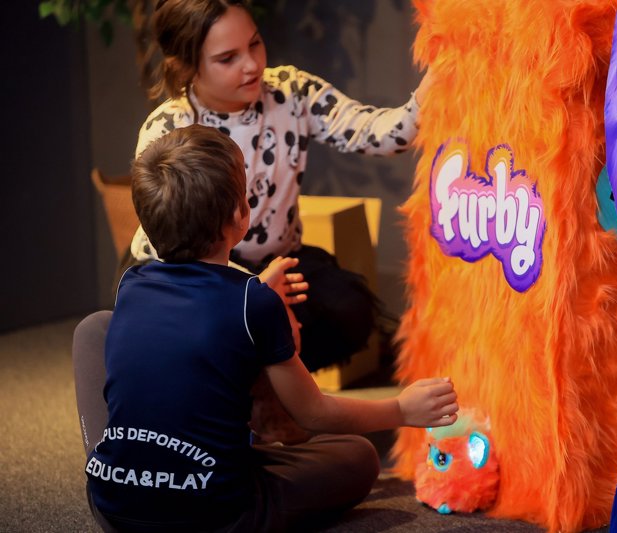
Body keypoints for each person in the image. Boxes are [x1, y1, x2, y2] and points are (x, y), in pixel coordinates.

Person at [85, 124, 458, 532]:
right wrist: (400, 409)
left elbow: (202, 311)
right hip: (218, 517)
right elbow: (313, 414)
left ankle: (114, 462)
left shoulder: (131, 285)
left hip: (113, 506)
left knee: (93, 329)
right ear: (239, 216)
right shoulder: (254, 302)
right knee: (358, 456)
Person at [126, 0, 431, 373]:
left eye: (255, 44)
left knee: (349, 310)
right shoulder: (168, 128)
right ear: (187, 66)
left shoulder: (291, 92)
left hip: (276, 261)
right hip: (195, 272)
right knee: (221, 328)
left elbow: (378, 133)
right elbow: (167, 246)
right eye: (228, 58)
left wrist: (435, 86)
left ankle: (272, 390)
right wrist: (253, 290)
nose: (252, 64)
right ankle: (240, 390)